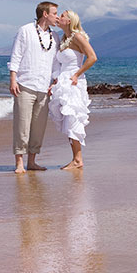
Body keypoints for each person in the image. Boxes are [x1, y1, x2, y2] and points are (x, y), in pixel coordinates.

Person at [8, 1, 60, 174]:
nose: (57, 17)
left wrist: (55, 81)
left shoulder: (55, 37)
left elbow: (55, 64)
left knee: (39, 127)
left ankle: (32, 161)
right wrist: (13, 80)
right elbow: (16, 56)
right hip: (25, 85)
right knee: (22, 125)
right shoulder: (25, 30)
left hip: (44, 88)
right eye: (55, 13)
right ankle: (19, 163)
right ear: (45, 14)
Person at [48, 10, 97, 170]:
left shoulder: (77, 37)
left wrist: (77, 74)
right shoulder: (63, 38)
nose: (59, 18)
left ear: (69, 21)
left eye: (62, 16)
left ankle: (78, 159)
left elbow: (92, 57)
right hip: (63, 82)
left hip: (74, 82)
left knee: (73, 117)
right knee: (66, 120)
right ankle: (76, 158)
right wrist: (55, 82)